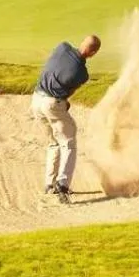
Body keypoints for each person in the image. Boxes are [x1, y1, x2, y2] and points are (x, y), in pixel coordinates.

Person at [30, 34, 100, 202]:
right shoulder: (82, 73)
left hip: (36, 100)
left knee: (53, 143)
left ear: (82, 42)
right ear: (93, 53)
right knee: (69, 143)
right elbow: (69, 92)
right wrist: (64, 101)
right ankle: (63, 185)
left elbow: (52, 65)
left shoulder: (62, 46)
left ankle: (49, 184)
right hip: (52, 104)